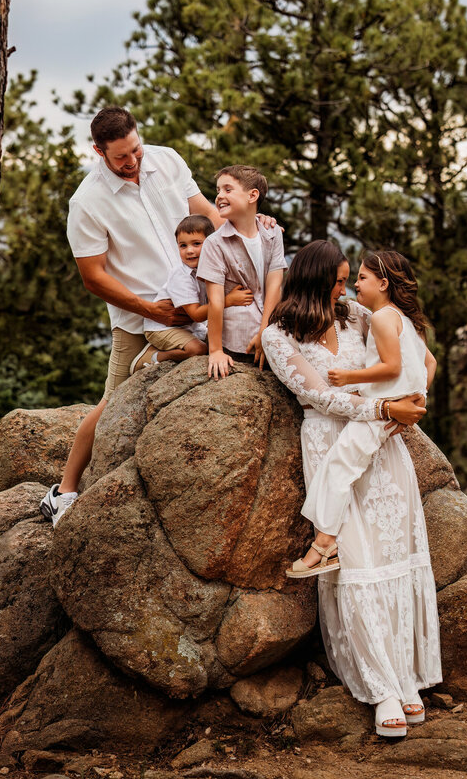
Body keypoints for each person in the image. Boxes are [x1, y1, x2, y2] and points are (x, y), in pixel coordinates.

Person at [260, 240, 442, 739]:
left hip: (384, 450)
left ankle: (407, 679)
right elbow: (314, 393)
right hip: (329, 440)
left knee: (394, 559)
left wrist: (410, 399)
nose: (345, 289)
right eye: (338, 281)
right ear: (314, 281)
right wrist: (383, 409)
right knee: (357, 564)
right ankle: (381, 686)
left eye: (349, 279)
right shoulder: (279, 335)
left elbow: (414, 356)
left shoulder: (358, 315)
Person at [38, 108, 222, 524]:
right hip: (140, 319)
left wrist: (250, 222)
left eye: (135, 149)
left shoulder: (168, 159)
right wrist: (149, 309)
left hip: (196, 301)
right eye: (121, 156)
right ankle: (63, 491)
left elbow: (208, 216)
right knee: (111, 401)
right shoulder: (87, 201)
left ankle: (153, 362)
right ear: (98, 151)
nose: (132, 161)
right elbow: (93, 276)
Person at [285, 251, 437, 579]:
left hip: (378, 410)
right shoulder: (403, 319)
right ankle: (327, 544)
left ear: (384, 283)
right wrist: (418, 398)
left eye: (361, 278)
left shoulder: (381, 318)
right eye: (347, 279)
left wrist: (350, 378)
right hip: (392, 407)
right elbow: (430, 363)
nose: (354, 285)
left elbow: (392, 366)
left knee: (336, 467)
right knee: (343, 466)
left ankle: (323, 546)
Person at [197, 165, 286, 379]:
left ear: (252, 195)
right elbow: (216, 301)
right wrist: (216, 350)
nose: (219, 196)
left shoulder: (272, 233)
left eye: (228, 190)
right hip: (235, 338)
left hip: (270, 328)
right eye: (218, 190)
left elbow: (275, 286)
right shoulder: (214, 244)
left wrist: (266, 333)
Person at [133, 215, 254, 370]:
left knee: (218, 342)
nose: (189, 251)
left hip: (190, 326)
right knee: (198, 350)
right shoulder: (181, 275)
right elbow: (196, 314)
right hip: (162, 328)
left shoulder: (213, 267)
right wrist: (228, 300)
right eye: (183, 246)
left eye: (196, 244)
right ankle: (153, 356)